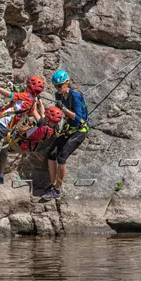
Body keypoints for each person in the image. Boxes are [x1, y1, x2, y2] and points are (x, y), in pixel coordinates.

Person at [0, 76, 46, 191]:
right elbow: (41, 122)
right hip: (5, 127)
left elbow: (8, 94)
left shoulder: (26, 97)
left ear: (28, 86)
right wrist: (40, 106)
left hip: (1, 125)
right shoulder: (32, 103)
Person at [42, 70, 89, 199]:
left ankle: (57, 189)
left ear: (67, 83)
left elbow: (77, 118)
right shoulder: (58, 96)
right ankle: (52, 184)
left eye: (60, 86)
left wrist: (63, 109)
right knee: (51, 154)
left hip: (80, 130)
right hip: (68, 129)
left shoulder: (75, 96)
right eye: (56, 86)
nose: (58, 89)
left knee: (62, 157)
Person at [0, 104, 64, 184]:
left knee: (2, 149)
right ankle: (0, 176)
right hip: (25, 146)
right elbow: (42, 113)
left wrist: (33, 99)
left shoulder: (41, 124)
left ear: (47, 118)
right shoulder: (51, 128)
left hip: (17, 143)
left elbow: (34, 110)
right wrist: (39, 101)